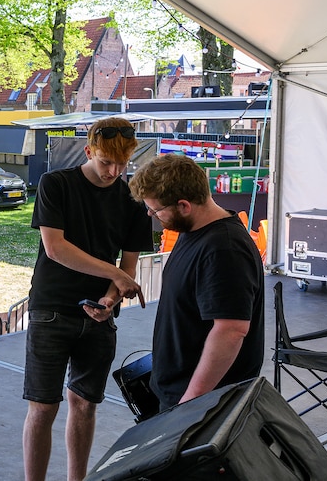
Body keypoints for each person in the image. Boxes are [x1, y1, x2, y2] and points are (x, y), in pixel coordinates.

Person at [23, 116, 151, 481]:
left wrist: (110, 301)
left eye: (122, 164)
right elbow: (56, 248)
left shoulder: (132, 201)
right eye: (106, 162)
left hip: (99, 317)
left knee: (85, 405)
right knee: (43, 407)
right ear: (88, 150)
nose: (114, 171)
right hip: (51, 308)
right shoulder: (56, 184)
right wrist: (115, 276)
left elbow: (129, 264)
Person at [128, 153, 264, 411]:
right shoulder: (194, 231)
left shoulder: (224, 249)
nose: (150, 214)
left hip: (203, 405)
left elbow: (231, 330)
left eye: (155, 209)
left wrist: (189, 403)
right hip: (180, 394)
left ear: (184, 206)